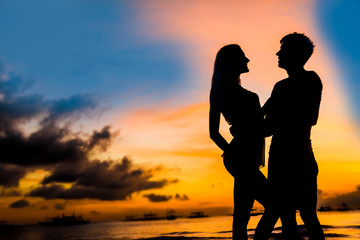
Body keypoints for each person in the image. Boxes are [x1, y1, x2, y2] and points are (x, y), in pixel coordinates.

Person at [255, 32, 325, 240]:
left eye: (282, 50)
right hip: (281, 158)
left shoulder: (309, 79)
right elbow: (265, 127)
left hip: (298, 156)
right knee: (284, 216)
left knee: (306, 215)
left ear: (294, 54)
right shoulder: (280, 86)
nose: (277, 53)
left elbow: (310, 118)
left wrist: (272, 119)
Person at [209, 44, 268, 240]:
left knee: (242, 216)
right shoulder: (221, 92)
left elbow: (259, 127)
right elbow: (214, 133)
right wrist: (231, 152)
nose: (248, 60)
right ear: (232, 62)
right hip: (239, 156)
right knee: (275, 204)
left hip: (248, 156)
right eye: (243, 57)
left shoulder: (246, 94)